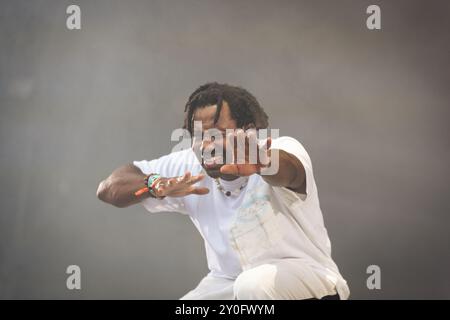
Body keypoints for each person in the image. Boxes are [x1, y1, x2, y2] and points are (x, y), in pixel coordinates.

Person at [96, 82, 350, 300]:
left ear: (247, 130)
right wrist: (152, 185)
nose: (206, 145)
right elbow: (108, 188)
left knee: (253, 286)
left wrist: (263, 164)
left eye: (217, 134)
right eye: (198, 135)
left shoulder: (280, 150)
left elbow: (290, 171)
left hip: (308, 280)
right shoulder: (188, 165)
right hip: (229, 283)